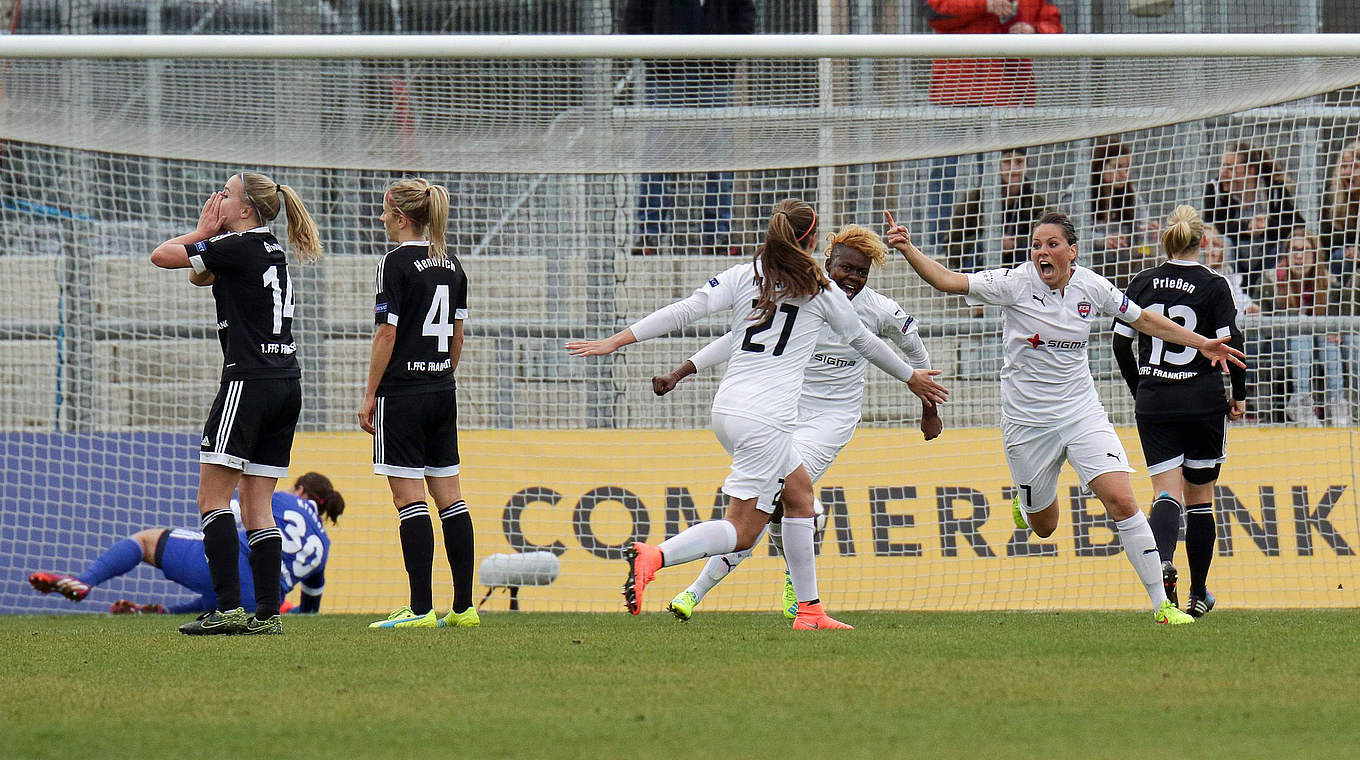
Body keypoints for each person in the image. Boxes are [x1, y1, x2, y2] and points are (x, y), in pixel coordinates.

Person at [567, 199, 949, 630]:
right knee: (745, 528)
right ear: (814, 245)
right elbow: (864, 341)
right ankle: (657, 556)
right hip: (769, 419)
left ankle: (810, 611)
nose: (853, 278)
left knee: (801, 499)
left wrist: (616, 341)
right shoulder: (819, 290)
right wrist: (909, 378)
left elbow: (685, 310)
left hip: (729, 409)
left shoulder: (749, 275)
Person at [888, 209, 1244, 624]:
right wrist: (908, 247)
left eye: (1052, 244)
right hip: (1028, 423)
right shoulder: (1013, 282)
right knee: (1044, 526)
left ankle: (1162, 606)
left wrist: (1202, 343)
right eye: (1036, 245)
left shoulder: (1092, 287)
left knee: (1123, 500)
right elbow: (947, 280)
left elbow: (1145, 319)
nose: (1042, 252)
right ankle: (1028, 502)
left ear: (1071, 252)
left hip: (1081, 413)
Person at [150, 172, 323, 636]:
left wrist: (203, 233)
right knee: (258, 507)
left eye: (225, 194)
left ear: (246, 209)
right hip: (286, 383)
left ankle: (226, 608)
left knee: (212, 498)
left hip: (247, 381)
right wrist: (211, 244)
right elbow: (199, 277)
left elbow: (163, 256)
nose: (216, 199)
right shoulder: (268, 249)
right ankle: (267, 615)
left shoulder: (236, 245)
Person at [1111, 206, 1246, 619]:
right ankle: (1198, 593)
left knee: (1164, 494)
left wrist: (1142, 389)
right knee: (1201, 499)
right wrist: (1239, 396)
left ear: (1167, 239)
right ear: (1201, 241)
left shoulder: (1143, 281)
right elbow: (1231, 343)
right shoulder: (1214, 284)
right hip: (1202, 400)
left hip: (1156, 401)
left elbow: (1120, 343)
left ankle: (1163, 562)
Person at [359, 178, 478, 630]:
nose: (381, 218)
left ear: (402, 217)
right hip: (441, 391)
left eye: (385, 211)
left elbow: (386, 332)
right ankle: (464, 609)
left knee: (409, 500)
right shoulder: (452, 264)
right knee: (451, 499)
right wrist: (440, 375)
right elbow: (457, 337)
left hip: (403, 394)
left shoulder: (393, 263)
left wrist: (371, 392)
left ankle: (421, 608)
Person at [28, 473, 342, 616]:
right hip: (263, 603)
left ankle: (83, 582)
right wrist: (290, 611)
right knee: (221, 600)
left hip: (237, 569)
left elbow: (228, 511)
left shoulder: (283, 499)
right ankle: (163, 614)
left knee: (148, 541)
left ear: (300, 490)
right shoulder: (323, 546)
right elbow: (312, 607)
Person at [924, 0, 1063, 249]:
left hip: (1004, 93)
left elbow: (1053, 23)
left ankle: (1000, 241)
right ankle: (939, 245)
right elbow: (936, 14)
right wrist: (985, 5)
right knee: (944, 171)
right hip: (956, 88)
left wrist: (1034, 31)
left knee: (1004, 174)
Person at [623, 0, 755, 255]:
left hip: (715, 77)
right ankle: (649, 235)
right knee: (658, 158)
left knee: (719, 160)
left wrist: (725, 63)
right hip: (665, 77)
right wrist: (657, 59)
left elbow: (744, 18)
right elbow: (635, 20)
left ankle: (717, 236)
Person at [1203, 141, 1304, 299]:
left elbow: (1297, 224)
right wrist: (1247, 226)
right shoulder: (1215, 189)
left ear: (1250, 171)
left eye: (1230, 168)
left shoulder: (1274, 188)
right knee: (1222, 243)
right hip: (1234, 254)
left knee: (1283, 246)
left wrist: (1267, 226)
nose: (1223, 173)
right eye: (1223, 166)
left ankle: (1271, 297)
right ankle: (1225, 296)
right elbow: (1212, 227)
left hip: (1267, 254)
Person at [1263, 229, 1339, 425]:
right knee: (1301, 334)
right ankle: (1301, 400)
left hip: (1319, 343)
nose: (1298, 255)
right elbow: (1263, 323)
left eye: (1305, 250)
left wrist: (1337, 333)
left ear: (1315, 255)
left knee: (1329, 342)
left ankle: (1337, 403)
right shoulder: (1271, 279)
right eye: (1294, 250)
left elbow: (1337, 319)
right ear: (1286, 253)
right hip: (1281, 340)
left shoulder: (1330, 282)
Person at [943, 146, 1047, 273]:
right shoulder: (974, 200)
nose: (1013, 168)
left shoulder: (1035, 201)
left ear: (1026, 166)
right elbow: (951, 247)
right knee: (981, 246)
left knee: (1030, 248)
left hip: (1018, 264)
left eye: (1019, 162)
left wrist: (1016, 243)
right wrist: (990, 240)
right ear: (998, 165)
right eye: (1007, 162)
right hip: (979, 267)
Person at [1087, 137, 1158, 289]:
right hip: (1090, 267)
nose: (1124, 174)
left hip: (1121, 266)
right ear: (1101, 167)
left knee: (1152, 262)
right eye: (1117, 167)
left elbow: (1140, 234)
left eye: (1126, 168)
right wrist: (1103, 240)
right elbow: (1068, 237)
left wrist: (1147, 231)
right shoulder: (1079, 195)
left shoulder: (1132, 195)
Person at [1201, 224, 1259, 318]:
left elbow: (1238, 300)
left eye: (1216, 245)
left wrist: (1248, 307)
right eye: (1205, 245)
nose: (1211, 251)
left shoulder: (1228, 274)